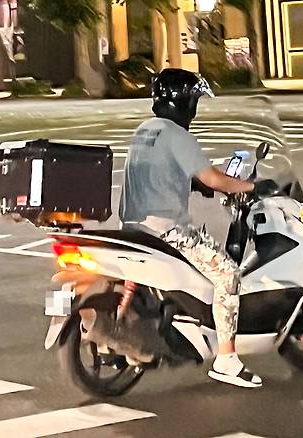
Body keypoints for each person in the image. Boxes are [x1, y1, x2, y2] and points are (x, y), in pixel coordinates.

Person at [119, 68, 262, 388]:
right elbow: (214, 178)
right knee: (227, 274)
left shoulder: (145, 130)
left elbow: (158, 173)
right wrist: (252, 187)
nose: (195, 108)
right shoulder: (178, 135)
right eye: (194, 100)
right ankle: (227, 360)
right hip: (166, 230)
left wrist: (193, 184)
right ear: (183, 102)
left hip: (133, 227)